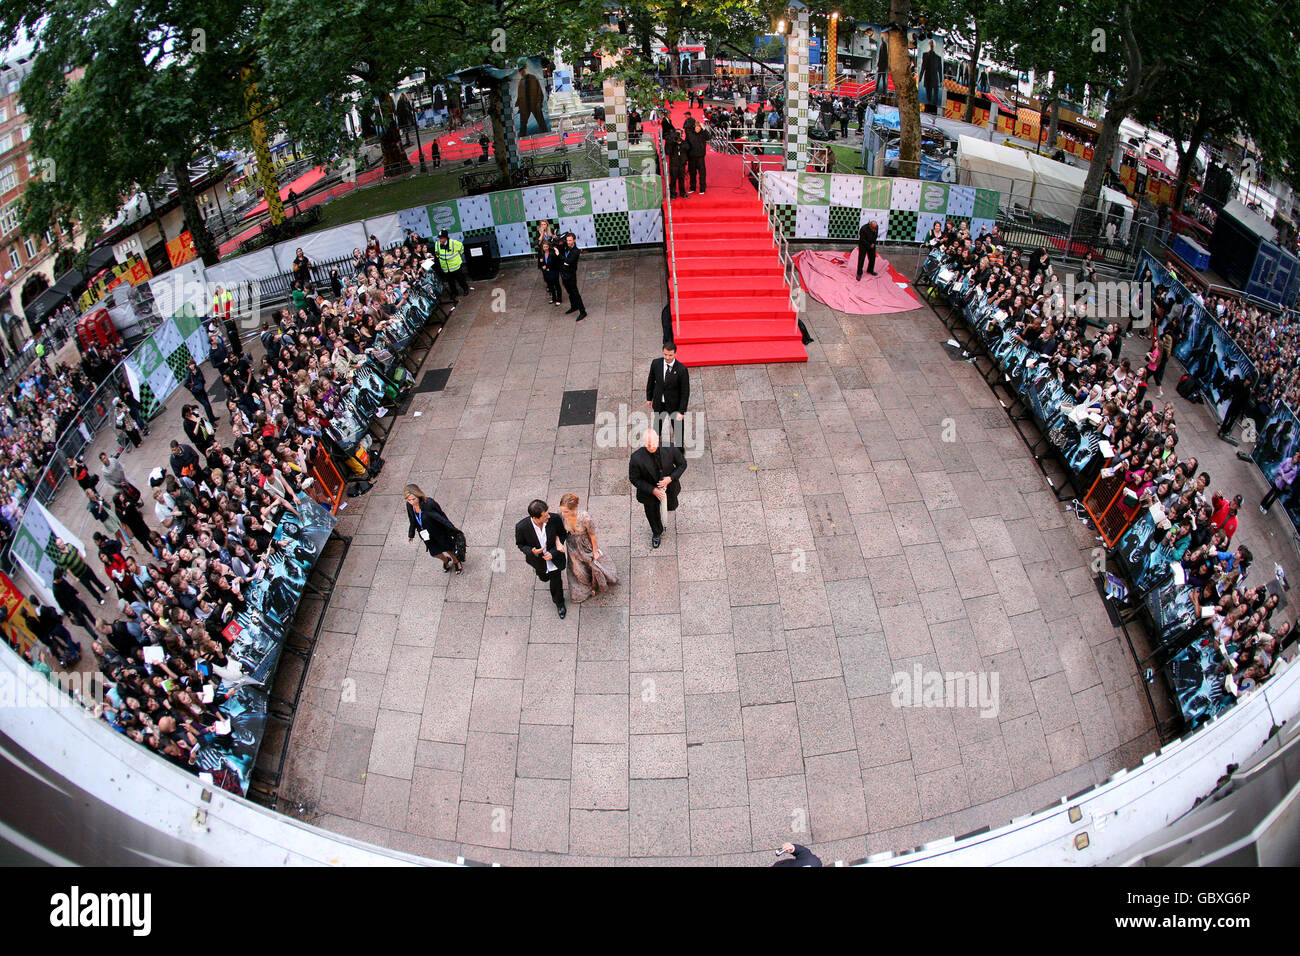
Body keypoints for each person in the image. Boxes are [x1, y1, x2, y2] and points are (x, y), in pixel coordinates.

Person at [628, 428, 686, 549]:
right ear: (644, 444)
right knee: (651, 513)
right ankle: (656, 532)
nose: (652, 447)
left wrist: (670, 478)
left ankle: (666, 511)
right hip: (648, 492)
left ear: (658, 440)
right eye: (649, 445)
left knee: (671, 505)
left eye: (654, 444)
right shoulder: (636, 458)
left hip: (669, 488)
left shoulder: (669, 448)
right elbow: (634, 479)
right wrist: (653, 490)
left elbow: (682, 464)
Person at [557, 493, 618, 603]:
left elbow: (592, 535)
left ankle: (596, 584)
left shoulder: (585, 518)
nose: (563, 514)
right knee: (577, 569)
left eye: (566, 511)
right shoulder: (562, 516)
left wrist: (595, 551)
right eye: (562, 511)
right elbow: (558, 530)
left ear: (574, 508)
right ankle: (585, 586)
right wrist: (559, 542)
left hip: (585, 543)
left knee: (593, 565)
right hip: (572, 544)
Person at [515, 499, 569, 618]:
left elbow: (562, 534)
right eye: (545, 515)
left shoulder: (554, 519)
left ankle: (559, 602)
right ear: (535, 518)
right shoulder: (522, 527)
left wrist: (554, 552)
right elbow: (520, 544)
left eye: (548, 513)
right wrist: (532, 551)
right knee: (544, 578)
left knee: (556, 581)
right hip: (538, 561)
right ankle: (543, 574)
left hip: (554, 559)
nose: (549, 516)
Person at [405, 484, 463, 573]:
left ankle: (456, 561)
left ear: (419, 495)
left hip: (438, 531)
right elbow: (412, 520)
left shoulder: (429, 503)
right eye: (409, 500)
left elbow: (441, 515)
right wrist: (411, 534)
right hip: (426, 535)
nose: (412, 502)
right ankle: (446, 560)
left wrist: (451, 529)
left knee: (448, 548)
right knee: (435, 553)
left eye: (414, 499)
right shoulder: (409, 506)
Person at [645, 341, 690, 446]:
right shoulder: (656, 363)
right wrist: (649, 397)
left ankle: (679, 447)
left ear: (675, 354)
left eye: (670, 355)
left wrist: (681, 411)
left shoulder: (682, 370)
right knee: (657, 424)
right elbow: (651, 381)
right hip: (659, 402)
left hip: (674, 404)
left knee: (678, 427)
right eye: (665, 354)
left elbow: (685, 392)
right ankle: (656, 443)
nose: (667, 357)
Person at [23, 596, 81, 667]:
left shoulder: (36, 613)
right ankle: (72, 654)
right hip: (54, 628)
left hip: (50, 631)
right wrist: (58, 620)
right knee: (66, 637)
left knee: (63, 639)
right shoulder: (42, 609)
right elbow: (51, 617)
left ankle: (75, 647)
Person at [50, 537, 107, 605]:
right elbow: (67, 570)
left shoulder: (69, 545)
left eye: (61, 542)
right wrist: (74, 578)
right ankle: (99, 598)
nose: (61, 544)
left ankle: (103, 588)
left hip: (85, 567)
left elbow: (78, 552)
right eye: (59, 544)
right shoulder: (61, 558)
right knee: (89, 587)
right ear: (58, 546)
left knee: (95, 579)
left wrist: (84, 561)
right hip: (79, 574)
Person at [52, 567, 98, 639]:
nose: (62, 579)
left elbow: (69, 586)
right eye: (61, 577)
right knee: (85, 623)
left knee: (89, 614)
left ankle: (98, 626)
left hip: (76, 600)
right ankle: (95, 637)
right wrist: (68, 613)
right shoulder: (55, 590)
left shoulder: (62, 581)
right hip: (72, 608)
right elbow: (61, 603)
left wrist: (76, 592)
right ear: (57, 578)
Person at [434, 229, 471, 300]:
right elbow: (437, 253)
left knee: (460, 279)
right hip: (445, 268)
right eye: (439, 238)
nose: (440, 240)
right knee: (450, 282)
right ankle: (454, 292)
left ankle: (465, 289)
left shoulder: (454, 243)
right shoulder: (437, 244)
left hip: (455, 266)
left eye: (441, 238)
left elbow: (461, 249)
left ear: (445, 237)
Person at [560, 233, 587, 321]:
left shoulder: (576, 251)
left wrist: (558, 255)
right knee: (569, 291)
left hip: (571, 275)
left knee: (575, 293)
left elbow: (568, 261)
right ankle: (574, 306)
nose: (568, 242)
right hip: (564, 274)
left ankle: (583, 312)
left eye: (570, 240)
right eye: (567, 240)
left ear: (574, 240)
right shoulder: (566, 247)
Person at [183, 360, 219, 426]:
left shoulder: (197, 369)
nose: (192, 366)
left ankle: (212, 417)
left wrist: (202, 383)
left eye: (192, 364)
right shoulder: (189, 373)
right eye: (190, 365)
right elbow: (185, 383)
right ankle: (211, 421)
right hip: (197, 393)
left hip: (201, 389)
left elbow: (201, 377)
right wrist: (193, 386)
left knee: (208, 404)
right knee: (206, 405)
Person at [685, 119, 708, 194]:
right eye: (696, 127)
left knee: (702, 173)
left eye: (699, 127)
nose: (697, 129)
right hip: (692, 157)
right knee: (692, 173)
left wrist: (704, 128)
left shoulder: (703, 134)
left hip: (700, 157)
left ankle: (702, 189)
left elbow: (709, 137)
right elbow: (686, 142)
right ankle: (692, 187)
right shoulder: (690, 134)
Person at [538, 239, 563, 306]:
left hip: (554, 271)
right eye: (544, 247)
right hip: (547, 272)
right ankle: (554, 298)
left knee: (557, 285)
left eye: (546, 246)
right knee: (550, 286)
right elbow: (541, 263)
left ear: (549, 246)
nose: (545, 248)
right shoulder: (542, 254)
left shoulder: (552, 253)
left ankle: (559, 299)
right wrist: (542, 263)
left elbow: (554, 263)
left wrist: (546, 266)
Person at [667, 129, 688, 200]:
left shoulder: (683, 142)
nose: (677, 138)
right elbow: (668, 151)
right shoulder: (671, 143)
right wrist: (673, 143)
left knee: (682, 179)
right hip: (674, 164)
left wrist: (681, 143)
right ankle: (673, 194)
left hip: (682, 164)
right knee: (673, 180)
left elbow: (687, 147)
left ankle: (683, 193)